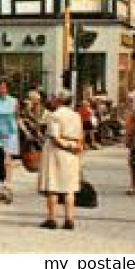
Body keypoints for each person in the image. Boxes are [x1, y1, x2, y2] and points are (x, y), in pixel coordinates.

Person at [39, 92, 84, 230]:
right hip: (73, 152)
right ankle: (69, 219)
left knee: (53, 185)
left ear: (59, 100)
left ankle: (52, 218)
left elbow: (55, 137)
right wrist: (75, 147)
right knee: (69, 187)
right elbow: (80, 135)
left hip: (56, 152)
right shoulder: (76, 115)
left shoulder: (54, 116)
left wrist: (66, 146)